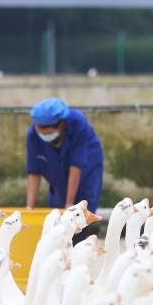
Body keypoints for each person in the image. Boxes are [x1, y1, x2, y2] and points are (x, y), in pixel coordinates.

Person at [25, 98, 104, 240]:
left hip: (86, 167)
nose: (42, 134)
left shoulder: (78, 123)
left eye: (47, 132)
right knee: (56, 205)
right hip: (56, 169)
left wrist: (70, 205)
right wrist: (29, 209)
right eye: (39, 130)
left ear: (61, 124)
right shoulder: (32, 135)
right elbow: (34, 171)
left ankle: (79, 242)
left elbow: (76, 165)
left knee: (81, 210)